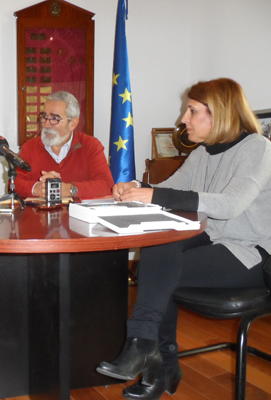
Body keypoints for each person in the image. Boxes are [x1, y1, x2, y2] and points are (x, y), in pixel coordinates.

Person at [96, 78, 271, 400]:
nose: (183, 120)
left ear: (218, 113)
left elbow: (231, 203)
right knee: (160, 246)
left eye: (191, 111)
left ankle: (157, 361)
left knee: (162, 272)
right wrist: (133, 188)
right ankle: (149, 350)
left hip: (253, 252)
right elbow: (173, 191)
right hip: (214, 238)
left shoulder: (258, 148)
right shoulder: (204, 152)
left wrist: (155, 194)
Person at [15, 91, 114, 199]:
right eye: (44, 117)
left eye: (55, 119)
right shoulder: (29, 147)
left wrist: (68, 189)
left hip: (79, 215)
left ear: (73, 123)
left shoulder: (90, 145)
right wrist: (36, 188)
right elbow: (14, 184)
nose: (47, 124)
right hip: (40, 215)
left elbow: (106, 185)